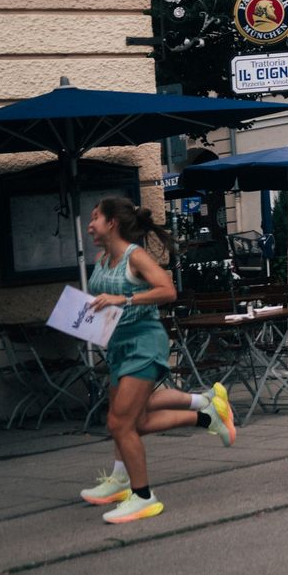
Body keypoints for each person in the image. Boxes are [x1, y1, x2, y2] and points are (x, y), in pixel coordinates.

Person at [77, 198, 235, 524]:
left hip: (144, 342)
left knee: (120, 423)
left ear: (112, 224)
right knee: (138, 422)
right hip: (118, 344)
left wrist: (125, 298)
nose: (90, 224)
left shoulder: (135, 256)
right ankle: (205, 414)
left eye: (95, 217)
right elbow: (103, 300)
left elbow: (167, 291)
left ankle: (143, 497)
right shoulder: (102, 257)